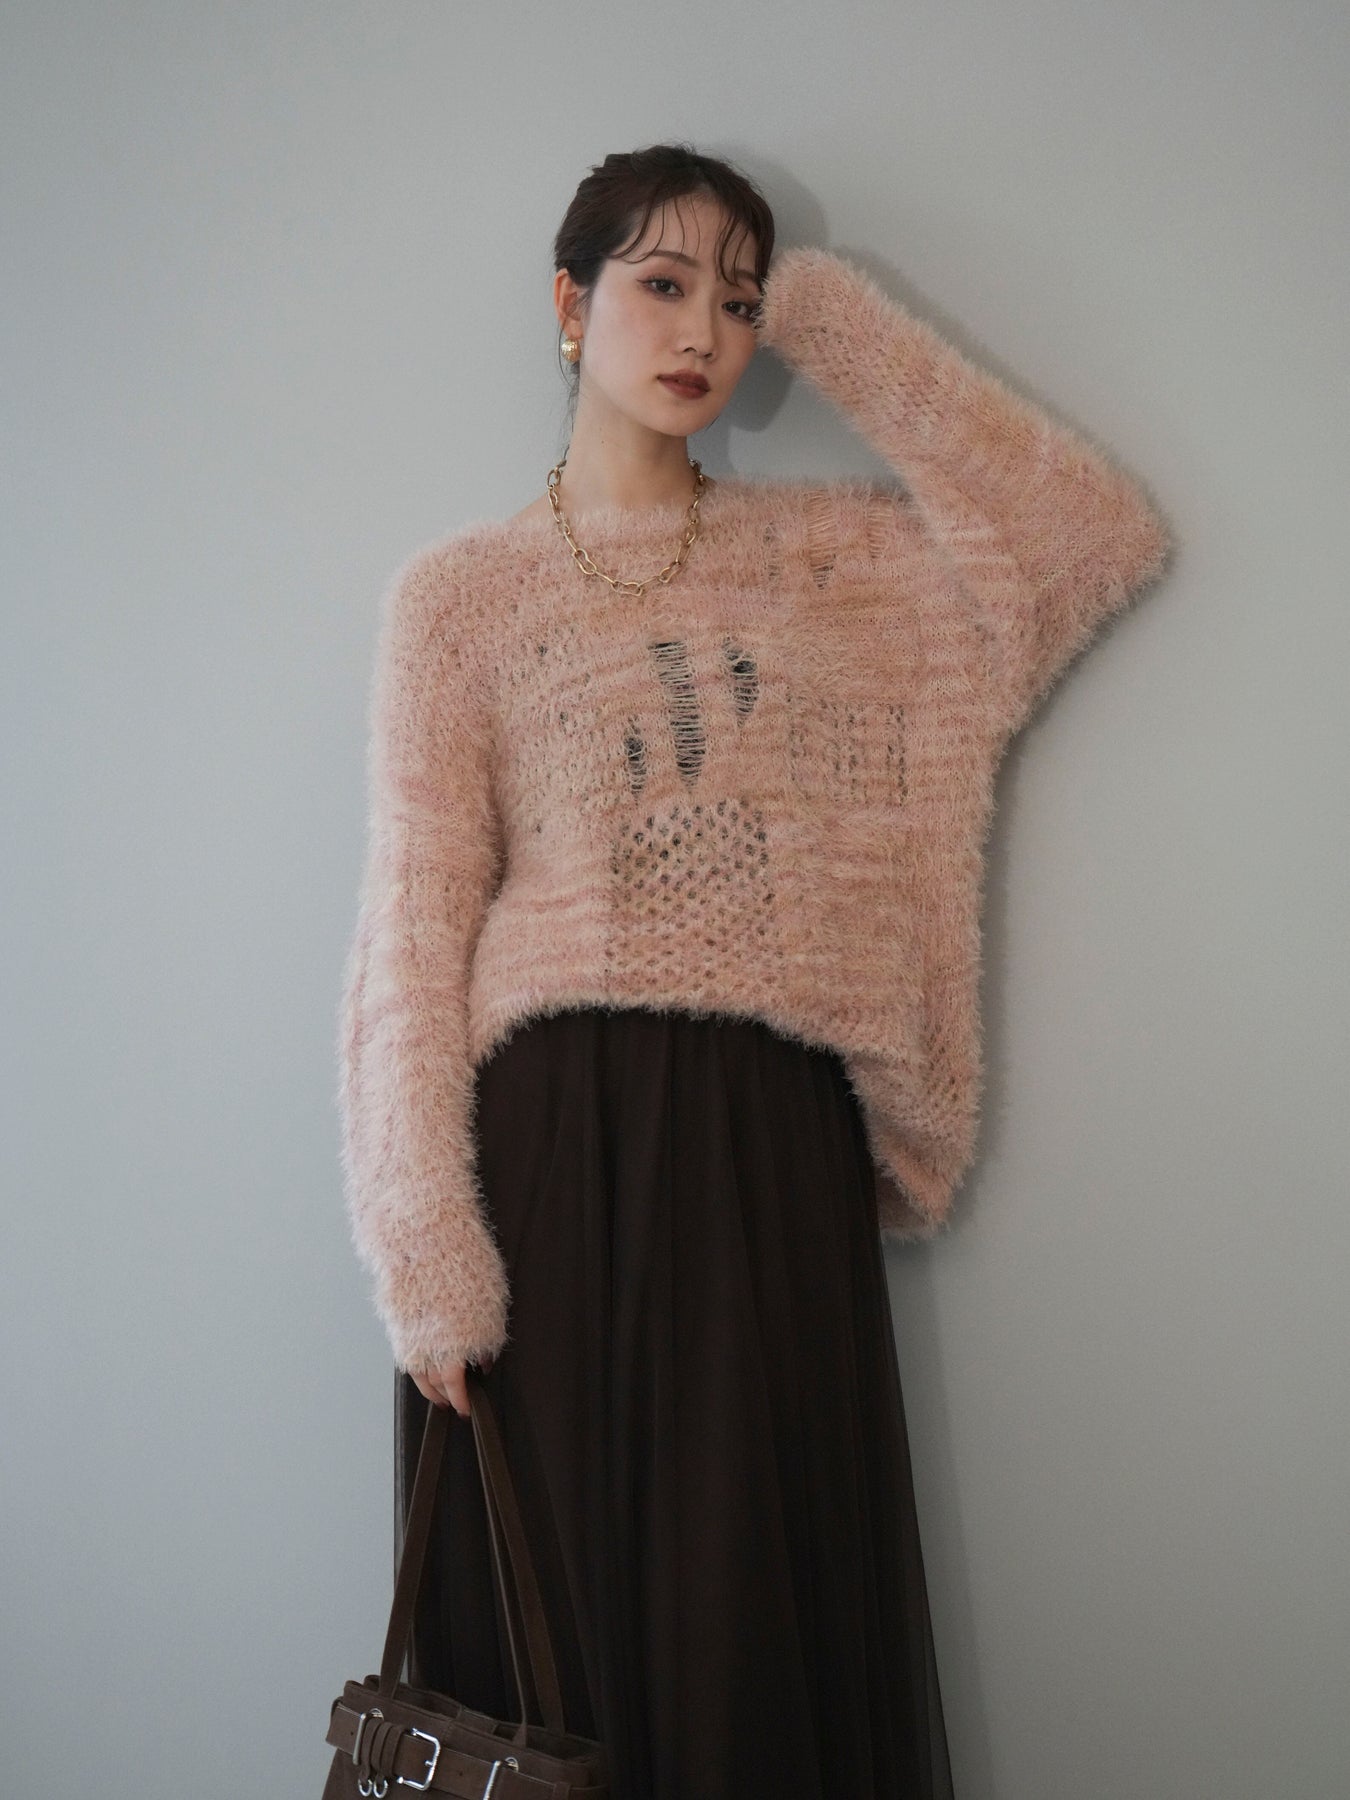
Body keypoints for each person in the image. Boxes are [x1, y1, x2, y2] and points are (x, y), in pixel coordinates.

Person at [338, 141, 1171, 1799]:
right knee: (555, 1659)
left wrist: (833, 320)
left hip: (763, 1155)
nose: (700, 330)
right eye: (660, 285)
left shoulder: (835, 567)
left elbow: (1087, 536)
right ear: (569, 305)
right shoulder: (459, 599)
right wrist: (425, 1249)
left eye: (735, 298)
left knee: (748, 1631)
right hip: (550, 1166)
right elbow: (411, 932)